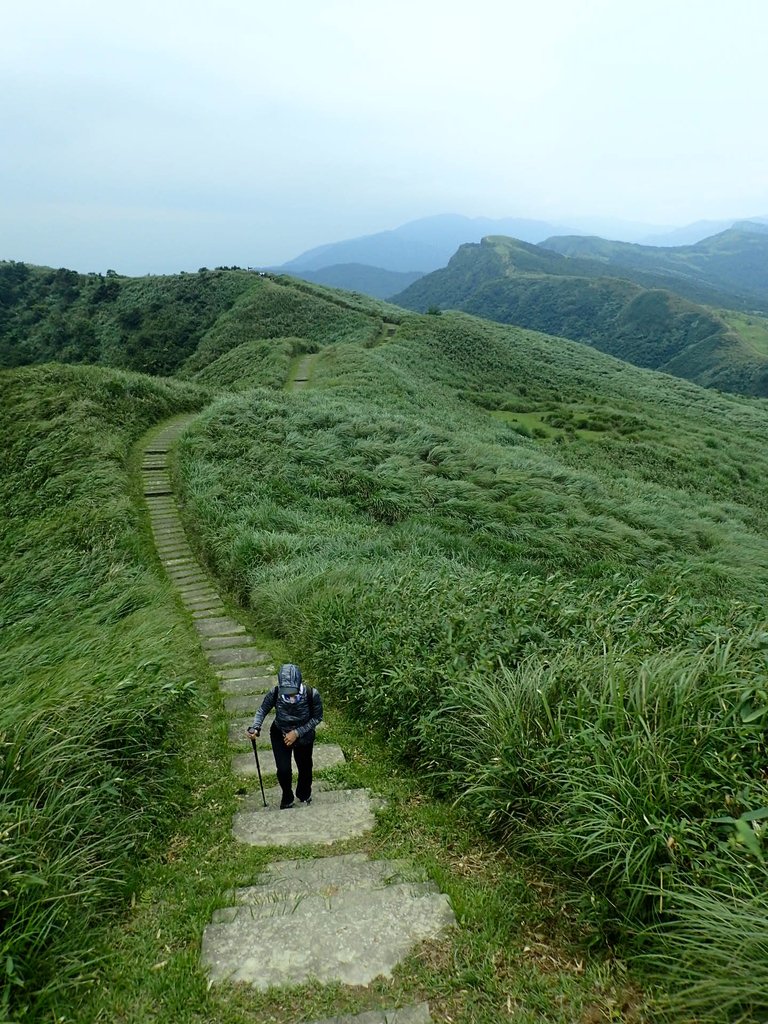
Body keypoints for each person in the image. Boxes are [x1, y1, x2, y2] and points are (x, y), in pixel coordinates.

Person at [246, 663, 323, 809]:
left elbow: (317, 718)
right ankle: (287, 796)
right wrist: (255, 727)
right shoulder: (275, 692)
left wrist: (296, 733)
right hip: (279, 733)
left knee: (305, 767)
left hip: (304, 737)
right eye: (286, 691)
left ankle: (304, 793)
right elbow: (262, 710)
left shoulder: (311, 694)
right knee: (283, 769)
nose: (289, 695)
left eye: (292, 691)